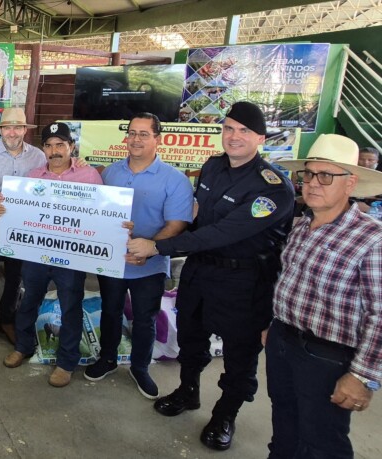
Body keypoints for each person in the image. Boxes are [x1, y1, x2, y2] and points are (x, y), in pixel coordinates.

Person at [127, 101, 294, 451]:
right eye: (229, 128)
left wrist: (157, 248)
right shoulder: (214, 166)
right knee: (191, 338)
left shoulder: (274, 187)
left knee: (239, 355)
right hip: (201, 271)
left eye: (244, 131)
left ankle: (225, 414)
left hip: (245, 282)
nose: (234, 137)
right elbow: (198, 218)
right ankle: (188, 391)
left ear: (260, 137)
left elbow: (221, 233)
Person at [265, 134, 382, 458]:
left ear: (350, 183)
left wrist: (362, 376)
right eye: (308, 174)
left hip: (328, 357)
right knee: (285, 427)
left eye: (326, 176)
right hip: (283, 342)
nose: (313, 183)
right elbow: (288, 280)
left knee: (322, 442)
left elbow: (380, 314)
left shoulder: (371, 239)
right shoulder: (301, 226)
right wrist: (273, 325)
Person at [86, 114, 193, 398]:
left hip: (150, 264)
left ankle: (140, 367)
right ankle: (107, 358)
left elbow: (176, 225)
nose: (136, 139)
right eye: (132, 133)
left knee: (145, 318)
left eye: (144, 134)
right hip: (111, 261)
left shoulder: (176, 180)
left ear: (158, 139)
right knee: (110, 311)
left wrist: (149, 248)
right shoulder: (110, 173)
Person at [0, 122, 102, 387]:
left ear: (71, 146)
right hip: (37, 253)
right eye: (49, 145)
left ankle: (67, 362)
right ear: (43, 148)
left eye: (60, 144)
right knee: (29, 298)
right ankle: (23, 346)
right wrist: (6, 212)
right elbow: (19, 212)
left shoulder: (89, 177)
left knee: (71, 305)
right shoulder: (33, 177)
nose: (54, 150)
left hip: (71, 256)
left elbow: (102, 215)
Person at [0, 107, 46, 346]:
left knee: (15, 279)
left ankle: (6, 320)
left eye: (17, 127)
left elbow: (48, 186)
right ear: (1, 130)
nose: (12, 132)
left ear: (25, 130)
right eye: (7, 127)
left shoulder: (38, 157)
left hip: (21, 230)